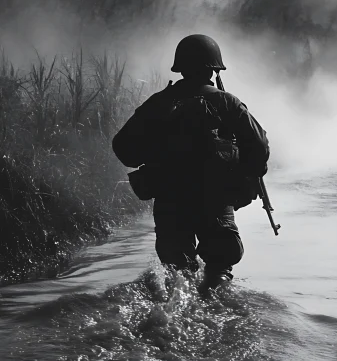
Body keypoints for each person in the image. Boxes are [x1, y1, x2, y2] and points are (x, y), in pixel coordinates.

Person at [112, 34, 270, 293]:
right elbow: (260, 147)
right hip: (215, 199)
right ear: (213, 68)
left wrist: (152, 156)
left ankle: (174, 312)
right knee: (219, 268)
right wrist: (244, 178)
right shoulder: (227, 102)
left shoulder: (159, 103)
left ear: (180, 67)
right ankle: (213, 308)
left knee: (177, 274)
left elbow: (122, 146)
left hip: (170, 200)